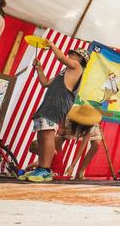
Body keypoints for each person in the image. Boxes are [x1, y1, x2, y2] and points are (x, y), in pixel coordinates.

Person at [23, 44, 89, 182]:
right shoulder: (65, 71)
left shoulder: (77, 67)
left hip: (57, 105)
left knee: (47, 135)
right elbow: (45, 83)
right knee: (41, 136)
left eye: (74, 53)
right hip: (48, 104)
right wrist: (39, 67)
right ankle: (40, 168)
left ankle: (45, 170)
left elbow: (60, 57)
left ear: (80, 58)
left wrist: (51, 44)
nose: (70, 54)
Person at [56, 104, 103, 180]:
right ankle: (57, 168)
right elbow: (62, 118)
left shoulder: (92, 124)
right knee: (57, 139)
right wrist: (62, 128)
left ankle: (80, 173)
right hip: (72, 126)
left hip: (87, 130)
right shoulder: (70, 115)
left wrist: (72, 165)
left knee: (96, 144)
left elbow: (82, 145)